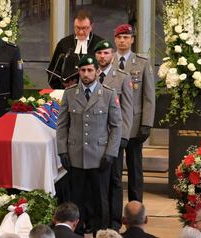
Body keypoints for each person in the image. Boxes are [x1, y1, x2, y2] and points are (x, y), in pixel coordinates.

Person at [56, 55, 122, 234]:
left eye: (90, 70)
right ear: (79, 71)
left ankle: (100, 233)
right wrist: (62, 151)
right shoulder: (70, 94)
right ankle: (76, 233)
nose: (86, 74)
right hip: (75, 155)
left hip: (99, 156)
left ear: (97, 71)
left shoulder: (108, 94)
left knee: (100, 199)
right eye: (83, 70)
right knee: (76, 199)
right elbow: (62, 125)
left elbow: (116, 126)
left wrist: (111, 153)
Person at [112, 24, 156, 203]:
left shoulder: (142, 63)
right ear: (115, 39)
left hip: (135, 126)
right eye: (119, 37)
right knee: (113, 172)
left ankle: (136, 209)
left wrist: (146, 123)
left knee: (135, 170)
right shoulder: (108, 61)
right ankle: (114, 211)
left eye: (126, 37)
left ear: (132, 40)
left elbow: (149, 96)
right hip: (113, 125)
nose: (122, 41)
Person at [94, 40, 133, 231]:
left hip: (115, 139)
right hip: (95, 140)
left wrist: (124, 136)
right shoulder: (89, 76)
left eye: (106, 53)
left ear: (112, 55)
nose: (103, 56)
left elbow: (127, 110)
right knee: (98, 181)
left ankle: (115, 223)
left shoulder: (123, 78)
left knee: (115, 180)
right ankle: (100, 220)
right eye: (100, 53)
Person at [47, 9, 103, 89]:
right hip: (67, 91)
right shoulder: (64, 43)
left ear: (91, 27)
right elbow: (53, 70)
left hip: (94, 91)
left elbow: (106, 71)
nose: (80, 32)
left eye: (84, 28)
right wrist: (63, 84)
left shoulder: (100, 44)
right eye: (77, 28)